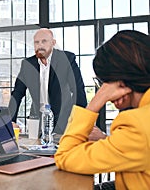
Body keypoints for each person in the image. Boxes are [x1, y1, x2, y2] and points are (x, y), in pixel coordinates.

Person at [55, 30, 150, 189]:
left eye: (106, 82)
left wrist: (95, 102)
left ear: (121, 81)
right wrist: (106, 140)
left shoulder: (136, 125)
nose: (105, 89)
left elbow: (64, 156)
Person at [8, 28, 87, 134]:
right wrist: (10, 121)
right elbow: (17, 93)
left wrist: (79, 121)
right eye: (36, 42)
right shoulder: (27, 65)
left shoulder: (67, 59)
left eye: (44, 41)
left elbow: (78, 90)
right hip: (38, 120)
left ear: (53, 43)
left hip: (64, 119)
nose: (40, 45)